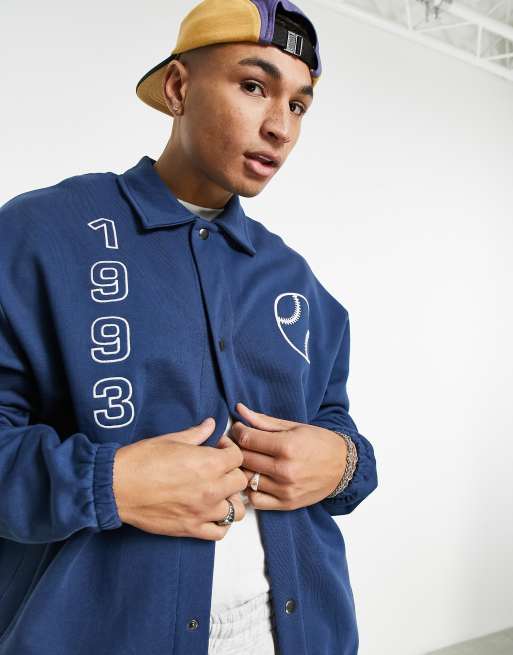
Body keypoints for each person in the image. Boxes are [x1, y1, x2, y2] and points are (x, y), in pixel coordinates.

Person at [0, 1, 378, 653]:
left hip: (286, 630)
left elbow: (333, 421)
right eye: (253, 86)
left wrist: (343, 462)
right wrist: (106, 483)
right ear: (178, 87)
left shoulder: (291, 276)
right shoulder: (42, 234)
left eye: (298, 105)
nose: (279, 127)